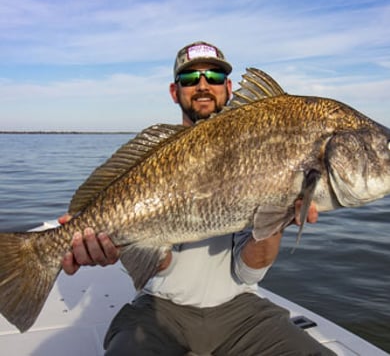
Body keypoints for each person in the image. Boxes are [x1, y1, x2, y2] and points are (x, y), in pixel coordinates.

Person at [61, 41, 335, 355]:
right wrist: (111, 241)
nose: (203, 85)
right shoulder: (153, 159)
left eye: (214, 77)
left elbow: (247, 272)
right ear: (174, 91)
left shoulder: (258, 152)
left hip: (243, 312)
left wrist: (278, 219)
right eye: (190, 79)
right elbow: (157, 267)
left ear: (229, 87)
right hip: (159, 310)